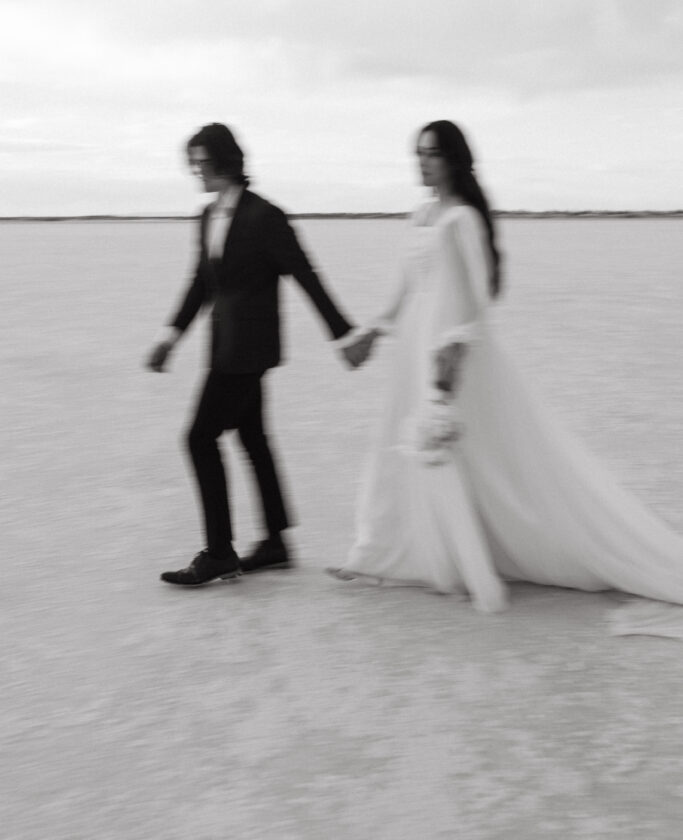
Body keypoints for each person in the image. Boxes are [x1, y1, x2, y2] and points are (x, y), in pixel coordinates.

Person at [329, 120, 683, 637]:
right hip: (413, 350)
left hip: (449, 352)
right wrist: (373, 331)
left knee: (463, 456)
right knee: (395, 450)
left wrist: (455, 348)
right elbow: (405, 290)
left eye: (431, 154)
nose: (421, 163)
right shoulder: (421, 215)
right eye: (417, 153)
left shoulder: (464, 218)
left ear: (453, 159)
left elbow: (480, 296)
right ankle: (380, 554)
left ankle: (465, 557)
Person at [147, 123, 364, 587]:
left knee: (199, 438)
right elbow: (201, 283)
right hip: (223, 347)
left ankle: (220, 551)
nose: (195, 172)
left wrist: (343, 335)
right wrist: (172, 335)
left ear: (224, 161)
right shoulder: (207, 216)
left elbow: (306, 275)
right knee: (252, 438)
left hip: (248, 352)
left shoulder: (266, 217)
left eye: (200, 163)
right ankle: (275, 542)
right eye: (192, 164)